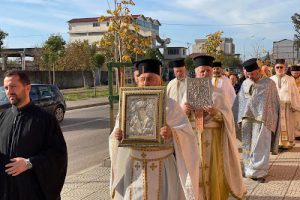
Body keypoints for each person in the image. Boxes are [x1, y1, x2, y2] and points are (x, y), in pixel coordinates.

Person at [109, 59, 200, 200]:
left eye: (150, 79)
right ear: (137, 81)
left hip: (162, 166)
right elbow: (117, 131)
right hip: (135, 167)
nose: (145, 83)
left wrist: (173, 133)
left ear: (159, 82)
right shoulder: (128, 103)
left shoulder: (171, 106)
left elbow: (188, 136)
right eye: (142, 79)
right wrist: (117, 135)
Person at [185, 55, 246, 200]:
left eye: (208, 70)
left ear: (212, 71)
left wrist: (216, 113)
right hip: (194, 139)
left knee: (215, 171)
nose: (205, 74)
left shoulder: (219, 93)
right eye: (202, 71)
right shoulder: (187, 92)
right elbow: (181, 119)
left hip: (214, 139)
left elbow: (228, 119)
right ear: (196, 72)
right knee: (194, 172)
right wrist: (185, 111)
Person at [0, 70, 68, 200]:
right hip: (6, 191)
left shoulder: (45, 120)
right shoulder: (2, 117)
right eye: (6, 88)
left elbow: (58, 154)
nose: (9, 91)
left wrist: (29, 163)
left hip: (32, 191)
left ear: (27, 88)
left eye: (14, 86)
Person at [233, 58, 280, 183]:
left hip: (263, 120)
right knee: (247, 146)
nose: (250, 76)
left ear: (259, 71)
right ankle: (249, 170)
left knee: (261, 146)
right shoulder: (245, 83)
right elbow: (240, 102)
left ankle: (260, 172)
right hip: (247, 120)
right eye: (248, 74)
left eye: (252, 74)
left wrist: (271, 118)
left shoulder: (269, 83)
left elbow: (274, 103)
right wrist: (239, 117)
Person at [270, 59, 300, 148]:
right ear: (275, 68)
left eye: (281, 67)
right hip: (275, 106)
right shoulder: (270, 79)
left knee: (288, 125)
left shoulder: (290, 79)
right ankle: (277, 143)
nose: (279, 69)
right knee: (276, 125)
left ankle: (287, 143)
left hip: (287, 106)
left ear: (285, 68)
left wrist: (296, 105)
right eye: (277, 67)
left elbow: (295, 93)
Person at [290, 65, 300, 138]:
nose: (296, 74)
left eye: (297, 72)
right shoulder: (288, 80)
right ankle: (294, 133)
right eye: (294, 72)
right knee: (293, 118)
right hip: (292, 101)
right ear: (291, 72)